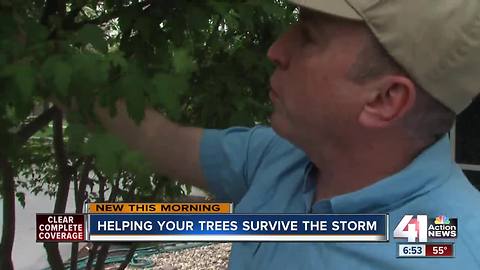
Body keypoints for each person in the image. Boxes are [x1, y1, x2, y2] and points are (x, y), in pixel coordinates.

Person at [89, 0, 480, 269]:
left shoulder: (448, 253)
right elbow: (164, 140)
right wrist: (71, 79)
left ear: (385, 98)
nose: (276, 49)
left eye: (309, 35)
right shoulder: (282, 157)